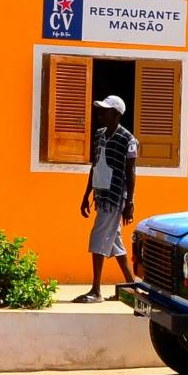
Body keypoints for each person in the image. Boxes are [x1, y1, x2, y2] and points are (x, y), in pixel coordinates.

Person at [74, 96, 137, 302]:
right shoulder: (99, 135)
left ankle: (96, 291)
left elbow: (131, 172)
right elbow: (95, 165)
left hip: (115, 197)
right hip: (100, 195)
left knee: (98, 238)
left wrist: (129, 202)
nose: (101, 114)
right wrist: (86, 195)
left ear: (117, 114)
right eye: (100, 110)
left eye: (106, 111)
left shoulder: (128, 140)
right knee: (114, 243)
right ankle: (132, 286)